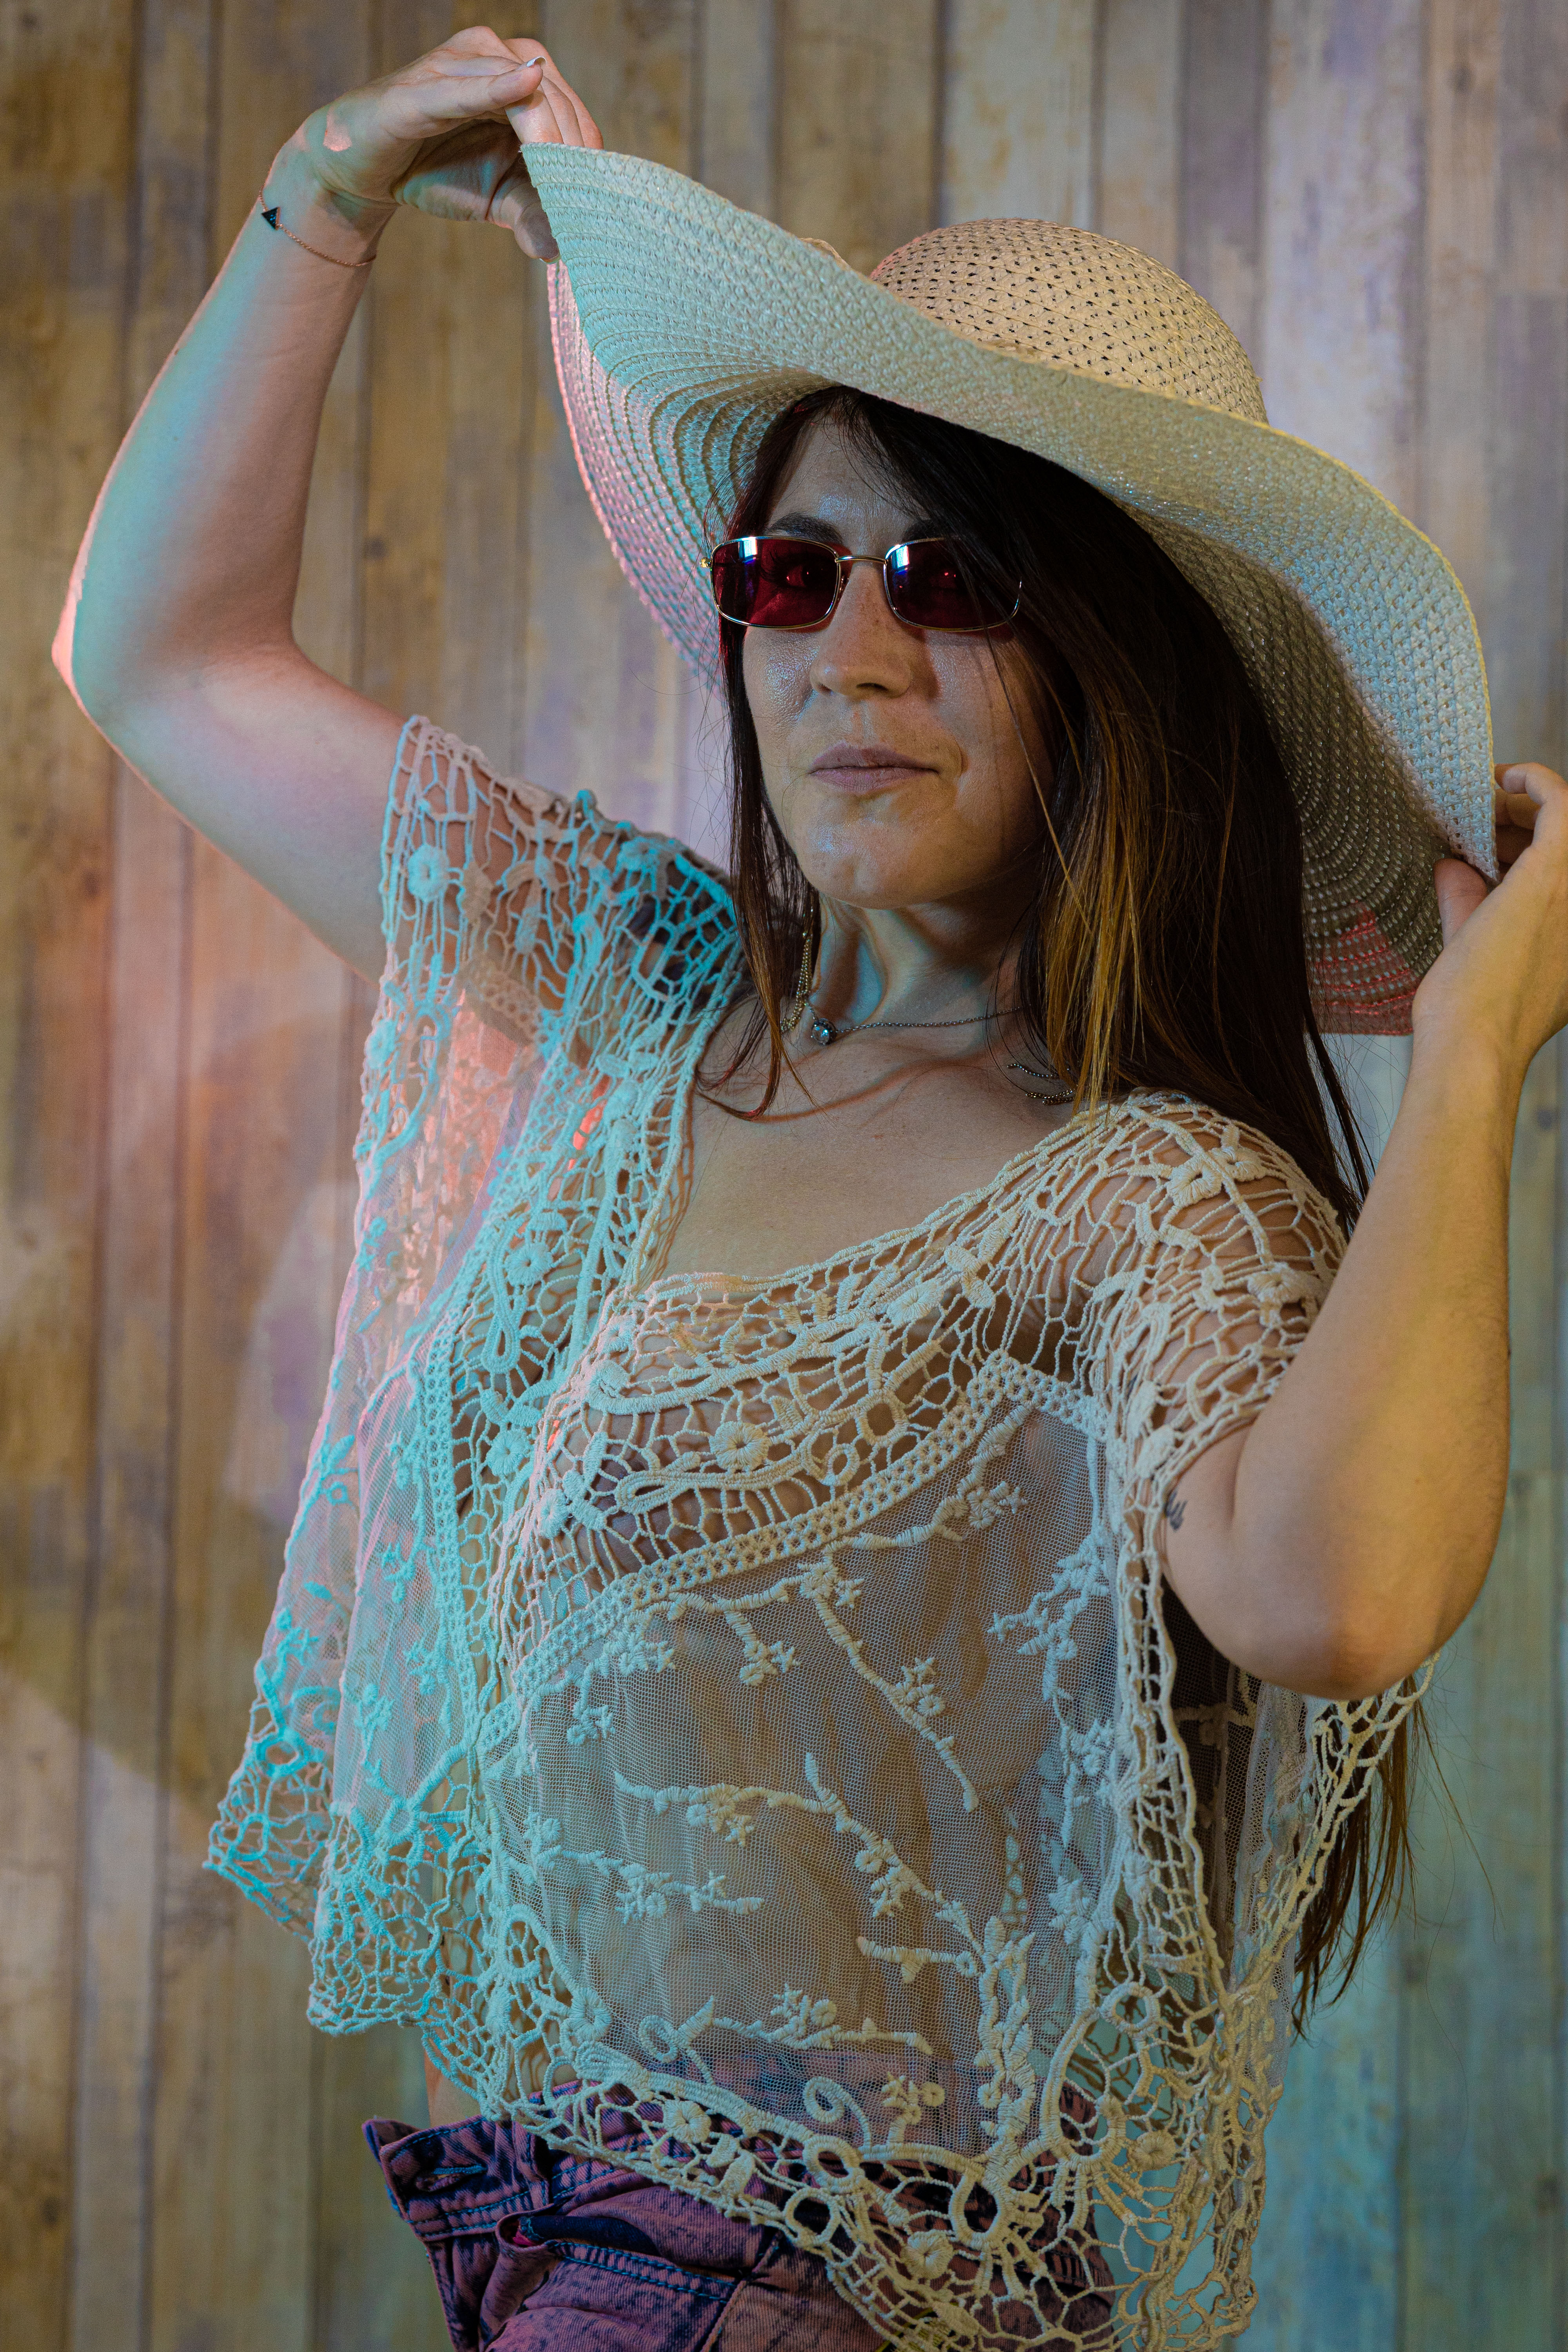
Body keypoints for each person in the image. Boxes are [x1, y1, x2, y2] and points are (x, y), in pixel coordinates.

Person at [54, 29, 1568, 2352]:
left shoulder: (1135, 1196)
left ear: (1119, 665)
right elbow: (160, 662)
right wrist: (321, 200)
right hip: (558, 2251)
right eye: (791, 570)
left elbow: (1338, 1596)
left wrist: (1471, 1064)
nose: (850, 651)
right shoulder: (644, 993)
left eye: (952, 577)